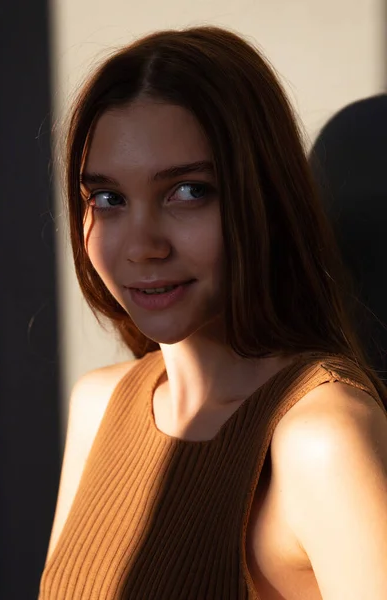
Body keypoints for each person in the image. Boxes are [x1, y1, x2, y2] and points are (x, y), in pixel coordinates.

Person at [39, 26, 387, 600]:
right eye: (108, 199)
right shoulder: (98, 405)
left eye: (187, 191)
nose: (141, 245)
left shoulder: (318, 438)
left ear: (263, 199)